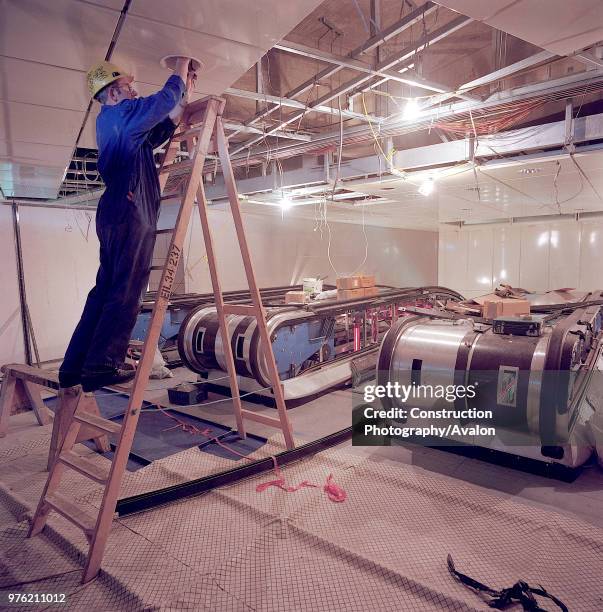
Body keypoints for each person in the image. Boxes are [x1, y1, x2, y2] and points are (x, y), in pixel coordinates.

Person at [59, 58, 196, 392]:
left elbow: (162, 126)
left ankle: (74, 367)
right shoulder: (120, 114)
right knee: (126, 290)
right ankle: (103, 364)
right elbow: (163, 100)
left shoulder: (117, 124)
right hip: (130, 210)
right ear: (112, 93)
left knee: (105, 290)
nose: (134, 91)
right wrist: (178, 69)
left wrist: (185, 93)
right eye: (128, 87)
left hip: (117, 211)